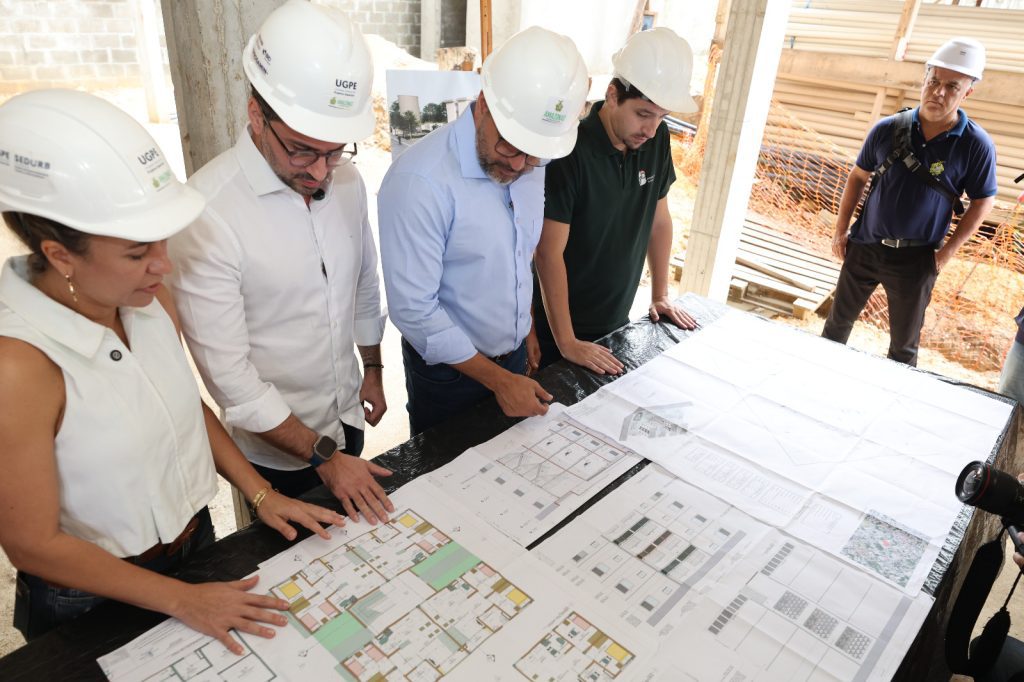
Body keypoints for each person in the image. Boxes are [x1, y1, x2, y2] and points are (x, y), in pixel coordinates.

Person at [0, 89, 345, 651]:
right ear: (61, 256)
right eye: (138, 253)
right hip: (89, 595)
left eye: (162, 242)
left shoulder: (145, 298)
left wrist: (262, 495)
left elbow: (184, 407)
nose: (163, 265)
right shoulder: (18, 364)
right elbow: (33, 544)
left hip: (193, 545)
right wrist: (182, 599)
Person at [169, 1, 394, 524]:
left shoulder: (347, 182)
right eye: (300, 151)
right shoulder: (205, 215)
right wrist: (325, 458)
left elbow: (363, 280)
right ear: (256, 114)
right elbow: (232, 380)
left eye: (334, 151)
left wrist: (373, 368)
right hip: (278, 456)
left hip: (346, 422)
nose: (319, 172)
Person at [378, 27, 589, 436]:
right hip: (449, 376)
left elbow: (518, 253)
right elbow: (415, 311)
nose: (518, 165)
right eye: (509, 146)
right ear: (482, 105)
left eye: (534, 155)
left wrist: (526, 326)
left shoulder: (528, 159)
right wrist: (498, 380)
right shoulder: (419, 182)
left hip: (514, 358)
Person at [822, 37, 997, 366]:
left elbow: (983, 202)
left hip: (917, 259)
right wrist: (840, 230)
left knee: (903, 349)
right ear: (925, 77)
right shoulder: (887, 129)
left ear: (968, 92)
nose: (938, 92)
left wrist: (945, 254)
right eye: (934, 81)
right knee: (835, 327)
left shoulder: (975, 144)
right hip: (865, 245)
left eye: (952, 86)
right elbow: (858, 176)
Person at [534, 27, 698, 375]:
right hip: (561, 330)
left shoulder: (655, 140)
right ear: (612, 95)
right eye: (643, 114)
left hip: (617, 322)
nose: (651, 129)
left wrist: (660, 294)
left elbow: (659, 220)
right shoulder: (570, 151)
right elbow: (547, 252)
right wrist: (567, 342)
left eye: (662, 116)